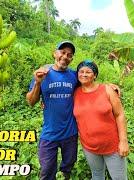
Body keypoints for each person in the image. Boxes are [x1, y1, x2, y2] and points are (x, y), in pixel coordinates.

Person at [26, 41, 78, 180]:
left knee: (68, 166)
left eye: (69, 55)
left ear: (71, 59)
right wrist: (37, 83)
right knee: (47, 171)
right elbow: (31, 102)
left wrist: (109, 86)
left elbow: (90, 82)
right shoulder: (43, 73)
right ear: (55, 53)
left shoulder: (74, 76)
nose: (65, 56)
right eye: (62, 52)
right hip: (50, 133)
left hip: (70, 133)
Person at [73, 60, 129, 180]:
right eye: (81, 71)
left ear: (95, 75)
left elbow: (120, 115)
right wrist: (45, 101)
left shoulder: (107, 90)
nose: (84, 74)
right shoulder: (74, 93)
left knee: (119, 178)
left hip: (112, 146)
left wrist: (123, 141)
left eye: (88, 72)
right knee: (97, 176)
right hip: (89, 147)